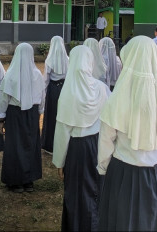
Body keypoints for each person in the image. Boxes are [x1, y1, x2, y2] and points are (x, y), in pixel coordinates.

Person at [98, 36, 157, 231]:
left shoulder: (117, 100)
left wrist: (103, 169)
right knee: (153, 222)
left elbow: (106, 142)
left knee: (123, 223)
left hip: (124, 174)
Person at [53, 45, 110, 231]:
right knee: (96, 189)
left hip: (77, 149)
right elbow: (110, 119)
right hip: (99, 144)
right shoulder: (102, 88)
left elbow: (63, 131)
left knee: (77, 192)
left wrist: (59, 162)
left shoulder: (68, 91)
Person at [0, 43, 45, 193]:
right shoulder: (37, 75)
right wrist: (39, 112)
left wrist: (1, 118)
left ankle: (16, 182)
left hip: (15, 114)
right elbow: (42, 97)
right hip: (32, 114)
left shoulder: (10, 75)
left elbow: (3, 98)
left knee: (15, 146)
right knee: (31, 144)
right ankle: (29, 180)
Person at [41, 36, 69, 154]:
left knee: (52, 116)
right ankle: (63, 144)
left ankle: (50, 145)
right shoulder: (67, 59)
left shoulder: (49, 60)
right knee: (63, 117)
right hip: (64, 89)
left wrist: (44, 93)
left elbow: (45, 80)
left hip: (53, 90)